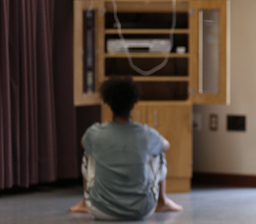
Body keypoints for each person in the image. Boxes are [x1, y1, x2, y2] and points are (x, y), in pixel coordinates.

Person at [69, 77, 182, 220]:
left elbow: (83, 142)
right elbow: (166, 145)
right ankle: (162, 202)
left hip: (100, 210)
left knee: (89, 150)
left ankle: (84, 204)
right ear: (134, 103)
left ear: (108, 103)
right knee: (158, 151)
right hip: (141, 210)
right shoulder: (147, 134)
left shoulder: (95, 133)